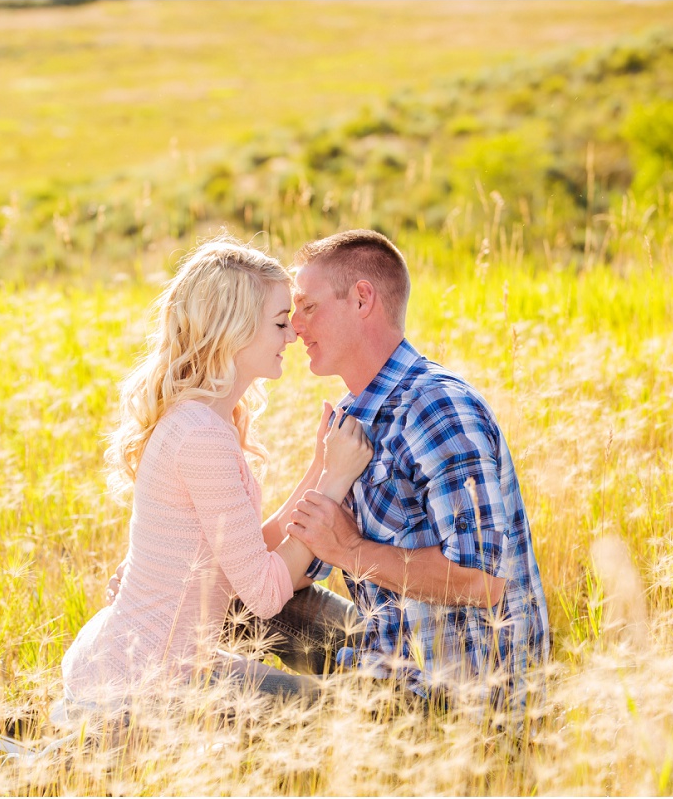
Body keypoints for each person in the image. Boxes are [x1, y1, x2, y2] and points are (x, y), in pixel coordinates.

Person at [60, 238, 374, 709]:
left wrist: (319, 470)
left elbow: (245, 551)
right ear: (235, 330)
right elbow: (265, 593)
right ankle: (59, 745)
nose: (292, 336)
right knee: (337, 716)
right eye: (280, 322)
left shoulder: (207, 420)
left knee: (344, 702)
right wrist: (332, 486)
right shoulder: (200, 435)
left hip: (163, 661)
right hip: (145, 680)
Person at [257, 229, 550, 716]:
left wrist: (351, 550)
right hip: (385, 657)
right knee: (236, 606)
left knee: (227, 692)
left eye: (307, 307)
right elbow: (296, 562)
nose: (294, 329)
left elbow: (483, 582)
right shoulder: (358, 415)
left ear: (362, 299)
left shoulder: (436, 408)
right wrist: (184, 574)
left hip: (456, 699)